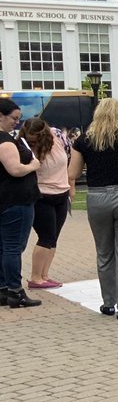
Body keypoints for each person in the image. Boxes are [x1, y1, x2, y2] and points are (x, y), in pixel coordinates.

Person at [67, 99, 118, 318]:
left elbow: (73, 173)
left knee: (104, 253)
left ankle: (108, 303)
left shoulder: (84, 140)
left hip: (98, 197)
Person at [21, 119, 75, 289]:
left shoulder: (57, 136)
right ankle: (35, 277)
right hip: (41, 196)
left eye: (36, 140)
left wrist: (71, 187)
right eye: (30, 140)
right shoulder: (22, 147)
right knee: (46, 237)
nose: (33, 143)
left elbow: (69, 160)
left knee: (54, 238)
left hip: (61, 193)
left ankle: (45, 275)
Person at [0, 98, 42, 308]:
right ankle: (15, 291)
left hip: (4, 200)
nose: (16, 123)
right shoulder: (5, 141)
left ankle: (3, 289)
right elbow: (15, 169)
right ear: (1, 116)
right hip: (15, 200)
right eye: (14, 119)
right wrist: (33, 164)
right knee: (13, 247)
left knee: (4, 246)